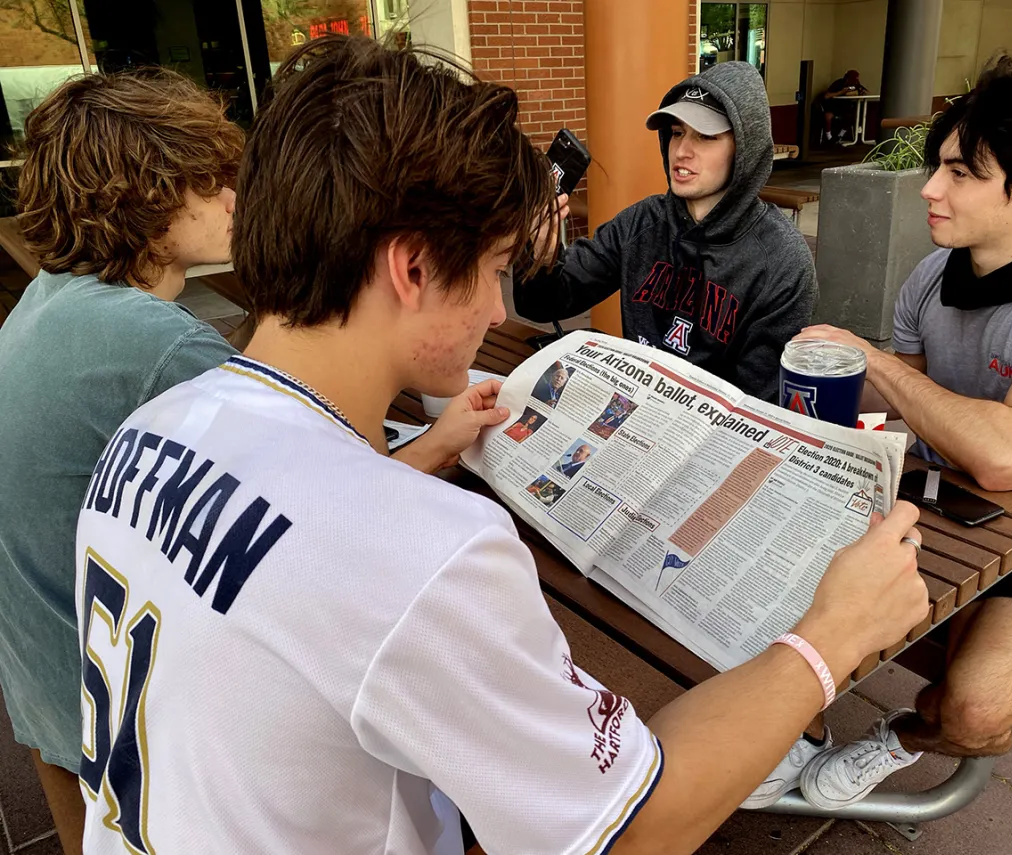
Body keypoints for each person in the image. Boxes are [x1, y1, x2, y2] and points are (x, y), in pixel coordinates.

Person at [75, 35, 928, 854]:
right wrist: (831, 636)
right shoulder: (430, 551)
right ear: (411, 268)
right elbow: (631, 828)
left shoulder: (146, 434)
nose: (495, 310)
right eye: (489, 269)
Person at [792, 55, 1012, 809]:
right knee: (765, 552)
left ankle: (898, 739)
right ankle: (787, 729)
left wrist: (877, 363)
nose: (930, 189)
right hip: (934, 503)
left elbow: (1008, 456)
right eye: (935, 166)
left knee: (975, 710)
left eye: (960, 172)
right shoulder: (932, 276)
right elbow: (908, 421)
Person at [0, 69, 245, 855]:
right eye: (212, 178)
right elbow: (310, 502)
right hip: (124, 724)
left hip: (43, 689)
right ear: (147, 193)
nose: (235, 196)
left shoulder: (44, 302)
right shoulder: (158, 344)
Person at [513, 61, 816, 402]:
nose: (682, 151)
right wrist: (539, 254)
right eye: (676, 132)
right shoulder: (641, 224)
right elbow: (545, 305)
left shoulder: (781, 261)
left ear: (744, 149)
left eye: (705, 136)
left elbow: (762, 403)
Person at [815, 69, 868, 145]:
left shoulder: (855, 84)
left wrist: (860, 92)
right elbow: (826, 96)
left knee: (851, 115)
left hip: (844, 106)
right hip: (832, 105)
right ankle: (829, 137)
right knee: (828, 116)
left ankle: (840, 136)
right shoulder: (839, 83)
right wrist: (841, 92)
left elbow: (866, 92)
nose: (856, 80)